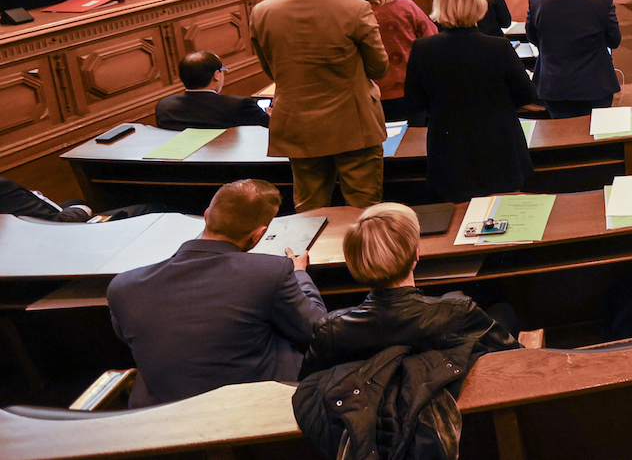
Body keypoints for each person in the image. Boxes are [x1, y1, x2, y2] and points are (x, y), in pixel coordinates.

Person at [107, 179, 324, 407]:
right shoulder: (270, 271)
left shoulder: (123, 286)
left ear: (207, 215)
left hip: (161, 416)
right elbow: (317, 329)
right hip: (257, 406)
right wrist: (300, 274)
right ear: (259, 234)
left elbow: (129, 336)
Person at [249, 0, 387, 212]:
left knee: (309, 212)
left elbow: (271, 70)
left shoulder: (263, 11)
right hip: (354, 124)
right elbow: (379, 67)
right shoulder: (356, 9)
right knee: (363, 211)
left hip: (298, 126)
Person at [301, 202, 519, 378]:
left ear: (355, 263)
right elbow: (513, 356)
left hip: (370, 425)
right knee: (503, 310)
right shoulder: (457, 312)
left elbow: (309, 386)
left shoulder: (331, 331)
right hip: (456, 415)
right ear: (416, 255)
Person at [408, 0, 539, 195]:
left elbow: (415, 102)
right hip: (499, 145)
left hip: (448, 148)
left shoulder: (422, 49)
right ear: (479, 4)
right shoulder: (498, 47)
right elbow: (527, 95)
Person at [526, 0, 623, 118]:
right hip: (596, 85)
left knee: (561, 136)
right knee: (596, 139)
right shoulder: (603, 1)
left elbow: (532, 37)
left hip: (554, 86)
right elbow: (614, 41)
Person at [348, 0, 436, 122]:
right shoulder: (405, 6)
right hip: (410, 89)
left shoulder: (350, 14)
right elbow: (431, 39)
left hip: (370, 94)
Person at [156, 51, 272, 130]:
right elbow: (270, 128)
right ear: (216, 75)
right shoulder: (239, 105)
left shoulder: (165, 105)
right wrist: (270, 117)